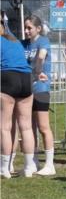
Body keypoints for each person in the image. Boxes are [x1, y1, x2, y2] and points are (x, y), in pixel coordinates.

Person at [22, 16, 56, 176]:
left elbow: (41, 56)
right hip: (27, 89)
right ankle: (33, 160)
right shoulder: (24, 43)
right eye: (26, 28)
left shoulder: (43, 41)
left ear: (38, 28)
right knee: (30, 127)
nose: (27, 31)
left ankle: (50, 164)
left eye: (29, 28)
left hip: (41, 88)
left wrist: (38, 71)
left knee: (43, 127)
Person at [1, 22, 36, 178]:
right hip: (26, 79)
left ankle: (4, 169)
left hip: (8, 78)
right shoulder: (15, 41)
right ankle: (29, 167)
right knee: (26, 127)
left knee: (5, 127)